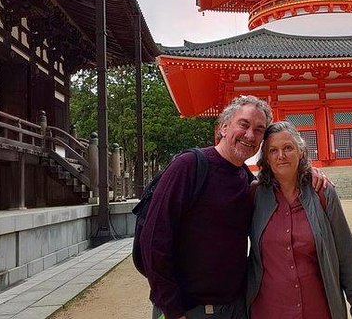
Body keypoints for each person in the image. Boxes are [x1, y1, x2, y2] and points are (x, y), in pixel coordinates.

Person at [140, 96, 327, 319]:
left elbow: (282, 184)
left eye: (259, 130)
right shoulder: (189, 166)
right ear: (224, 126)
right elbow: (153, 239)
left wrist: (306, 174)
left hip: (234, 307)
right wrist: (173, 309)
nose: (250, 135)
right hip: (189, 309)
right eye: (244, 124)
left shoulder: (246, 179)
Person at [247, 121, 352, 319]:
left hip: (318, 309)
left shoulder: (322, 193)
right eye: (273, 150)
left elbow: (347, 255)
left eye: (288, 148)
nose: (281, 156)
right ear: (266, 158)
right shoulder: (254, 196)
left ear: (301, 151)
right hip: (267, 310)